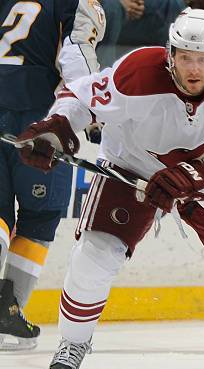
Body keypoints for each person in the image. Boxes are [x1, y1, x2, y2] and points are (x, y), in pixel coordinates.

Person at [14, 7, 204, 369]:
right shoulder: (137, 71)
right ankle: (73, 343)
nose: (193, 69)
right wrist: (56, 129)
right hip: (129, 166)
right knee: (95, 252)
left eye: (202, 59)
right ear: (170, 53)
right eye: (185, 57)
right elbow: (82, 98)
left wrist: (195, 178)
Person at [0, 0, 106, 350]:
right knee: (40, 215)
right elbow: (77, 54)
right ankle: (7, 311)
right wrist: (93, 111)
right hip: (38, 119)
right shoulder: (74, 2)